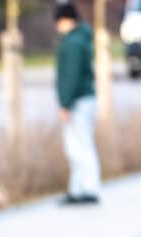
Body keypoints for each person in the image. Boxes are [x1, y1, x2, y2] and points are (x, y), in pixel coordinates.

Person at [55, 1, 101, 204]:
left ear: (67, 20)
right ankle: (77, 189)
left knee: (80, 146)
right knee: (75, 147)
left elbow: (71, 75)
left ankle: (88, 189)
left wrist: (65, 103)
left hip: (77, 102)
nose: (57, 26)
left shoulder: (73, 43)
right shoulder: (80, 38)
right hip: (83, 99)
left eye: (58, 21)